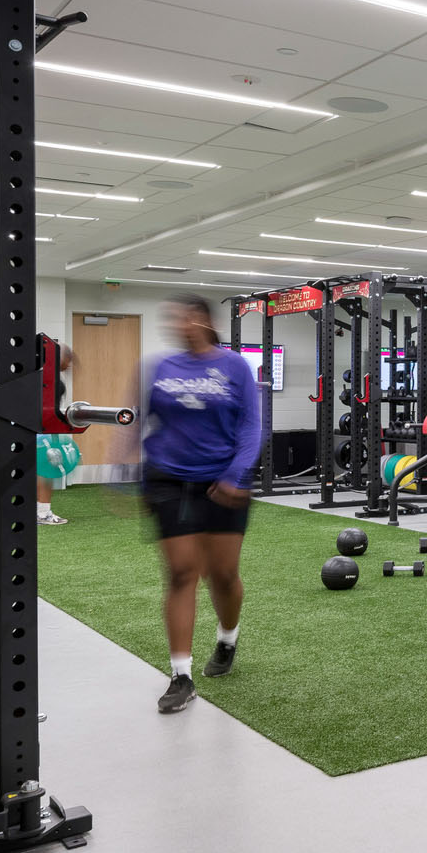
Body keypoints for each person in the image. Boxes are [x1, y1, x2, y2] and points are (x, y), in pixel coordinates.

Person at [141, 294, 262, 714]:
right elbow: (144, 420)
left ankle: (228, 638)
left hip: (222, 480)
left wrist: (235, 475)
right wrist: (134, 476)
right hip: (169, 480)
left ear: (203, 320)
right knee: (180, 573)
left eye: (182, 317)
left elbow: (251, 425)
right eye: (171, 317)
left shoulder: (235, 366)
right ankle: (181, 675)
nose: (176, 324)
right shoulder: (162, 368)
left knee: (223, 575)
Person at [37, 342, 74, 525]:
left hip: (31, 431)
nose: (69, 364)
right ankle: (43, 513)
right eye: (68, 358)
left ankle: (37, 511)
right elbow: (51, 412)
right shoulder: (54, 382)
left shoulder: (35, 376)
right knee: (46, 472)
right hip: (43, 432)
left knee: (37, 473)